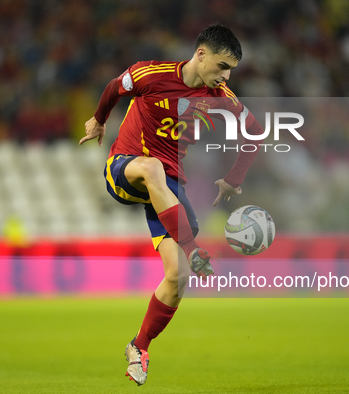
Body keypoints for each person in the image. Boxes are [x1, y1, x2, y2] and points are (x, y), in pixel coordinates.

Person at [79, 24, 262, 385]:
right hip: (127, 167)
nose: (225, 76)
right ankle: (194, 249)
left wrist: (234, 179)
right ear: (201, 55)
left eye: (230, 71)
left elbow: (254, 134)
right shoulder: (151, 74)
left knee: (177, 279)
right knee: (151, 167)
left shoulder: (220, 95)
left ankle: (139, 346)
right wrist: (100, 121)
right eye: (222, 66)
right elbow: (114, 87)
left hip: (167, 187)